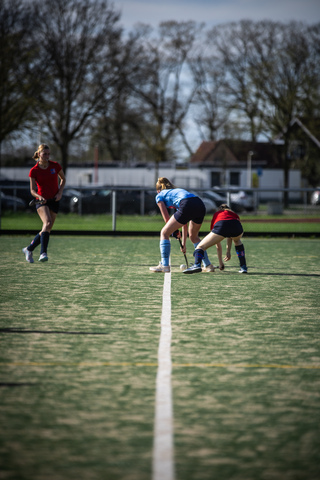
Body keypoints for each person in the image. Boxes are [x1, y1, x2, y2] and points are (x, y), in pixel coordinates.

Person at [149, 177, 215, 273]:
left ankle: (165, 265)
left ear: (158, 190)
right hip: (199, 204)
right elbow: (183, 222)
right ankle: (208, 265)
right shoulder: (175, 192)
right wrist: (183, 244)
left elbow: (166, 218)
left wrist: (173, 230)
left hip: (187, 204)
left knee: (164, 233)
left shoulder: (159, 195)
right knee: (194, 237)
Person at [22, 144, 66, 263]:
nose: (47, 156)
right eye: (45, 153)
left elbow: (63, 179)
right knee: (47, 222)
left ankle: (29, 249)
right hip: (41, 202)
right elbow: (32, 190)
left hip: (54, 200)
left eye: (48, 154)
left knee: (47, 228)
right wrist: (39, 196)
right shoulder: (34, 170)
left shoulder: (55, 166)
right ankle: (43, 253)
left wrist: (60, 193)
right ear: (39, 154)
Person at [183, 204, 248, 274]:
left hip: (221, 226)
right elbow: (230, 236)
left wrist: (220, 262)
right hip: (237, 227)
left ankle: (197, 265)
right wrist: (228, 252)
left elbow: (217, 243)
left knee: (200, 247)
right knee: (237, 241)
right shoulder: (234, 214)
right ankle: (243, 267)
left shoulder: (217, 214)